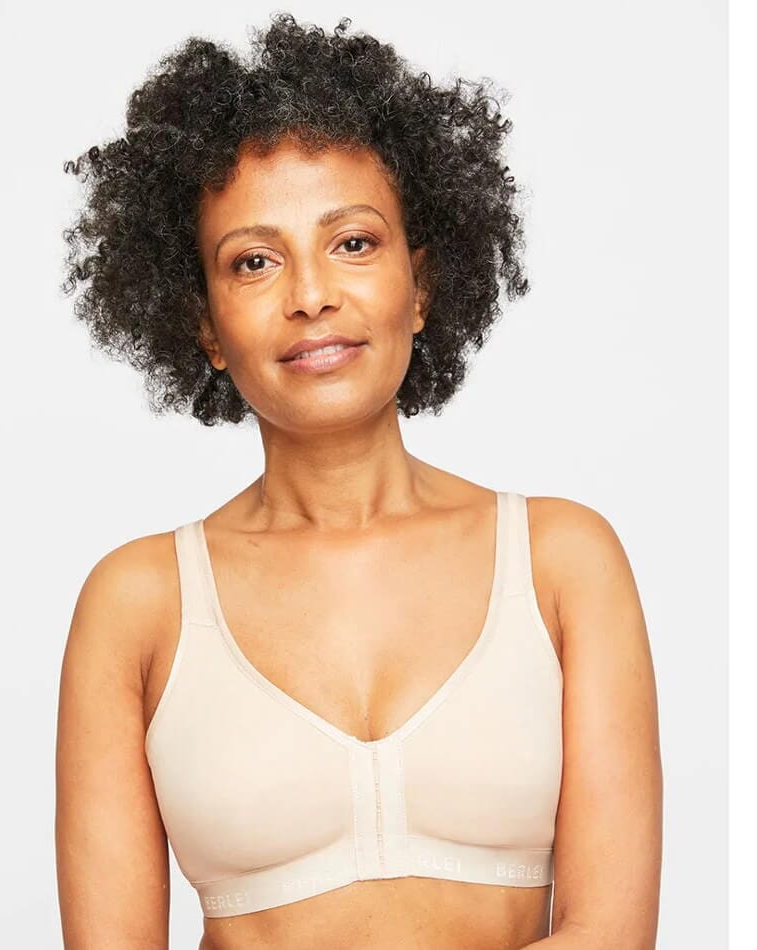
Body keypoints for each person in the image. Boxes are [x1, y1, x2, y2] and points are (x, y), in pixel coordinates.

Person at [54, 13, 663, 950]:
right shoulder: (138, 605)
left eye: (352, 243)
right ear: (205, 326)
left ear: (421, 287)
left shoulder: (562, 564)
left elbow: (612, 933)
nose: (311, 295)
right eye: (254, 261)